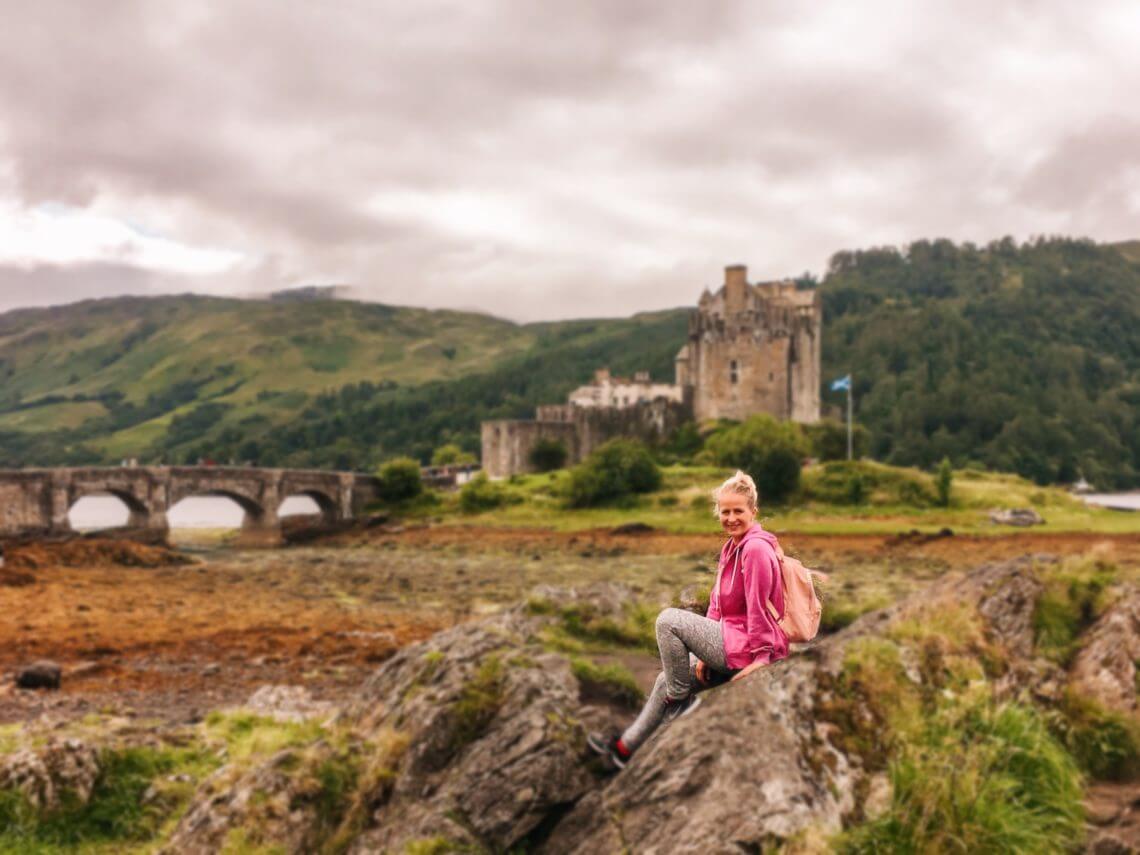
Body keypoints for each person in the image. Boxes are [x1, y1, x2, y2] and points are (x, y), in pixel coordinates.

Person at [588, 470, 789, 769]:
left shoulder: (756, 549)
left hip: (749, 649)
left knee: (668, 620)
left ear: (753, 512)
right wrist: (703, 656)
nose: (731, 517)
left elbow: (760, 609)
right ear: (718, 513)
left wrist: (761, 659)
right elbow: (718, 607)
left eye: (738, 511)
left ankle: (681, 703)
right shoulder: (732, 547)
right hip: (731, 639)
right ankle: (623, 749)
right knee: (664, 680)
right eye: (725, 511)